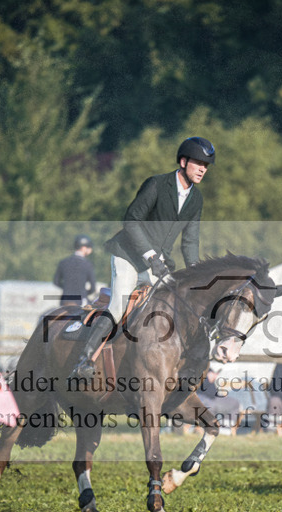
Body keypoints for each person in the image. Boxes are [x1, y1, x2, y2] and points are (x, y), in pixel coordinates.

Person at [71, 136, 215, 379]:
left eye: (206, 166)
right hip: (129, 254)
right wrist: (150, 256)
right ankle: (84, 360)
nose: (203, 169)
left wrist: (195, 273)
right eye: (198, 163)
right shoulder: (156, 184)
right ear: (183, 161)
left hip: (158, 264)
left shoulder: (196, 199)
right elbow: (131, 221)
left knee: (177, 306)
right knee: (118, 306)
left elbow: (190, 241)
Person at [195, 363, 242, 430]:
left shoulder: (207, 367)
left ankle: (225, 427)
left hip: (214, 398)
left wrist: (211, 378)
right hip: (202, 398)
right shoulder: (195, 369)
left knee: (234, 403)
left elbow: (212, 391)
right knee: (209, 406)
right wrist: (207, 379)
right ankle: (207, 428)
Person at [53, 234, 97, 307]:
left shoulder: (63, 262)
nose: (90, 249)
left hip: (65, 300)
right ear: (83, 248)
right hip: (81, 300)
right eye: (89, 247)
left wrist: (68, 289)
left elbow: (56, 282)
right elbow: (93, 288)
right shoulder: (87, 264)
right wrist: (83, 293)